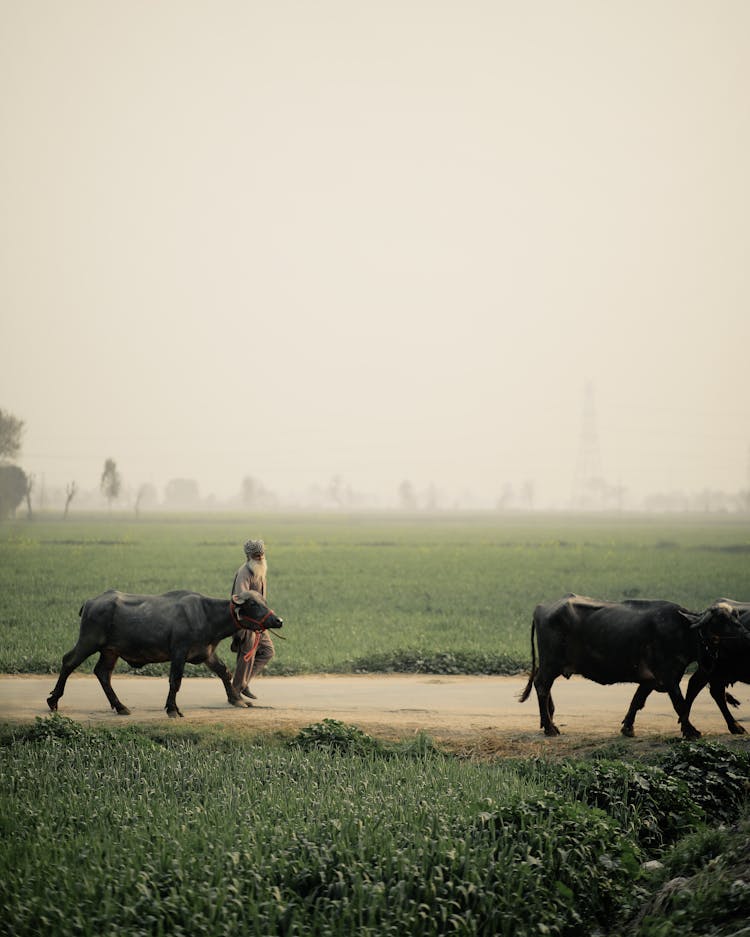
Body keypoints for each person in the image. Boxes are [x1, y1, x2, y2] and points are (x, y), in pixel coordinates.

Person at [230, 538, 275, 702]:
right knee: (247, 655)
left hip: (260, 621)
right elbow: (242, 599)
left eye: (262, 553)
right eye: (257, 555)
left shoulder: (260, 570)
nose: (261, 556)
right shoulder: (245, 572)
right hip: (247, 621)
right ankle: (234, 693)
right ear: (249, 556)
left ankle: (243, 683)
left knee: (267, 652)